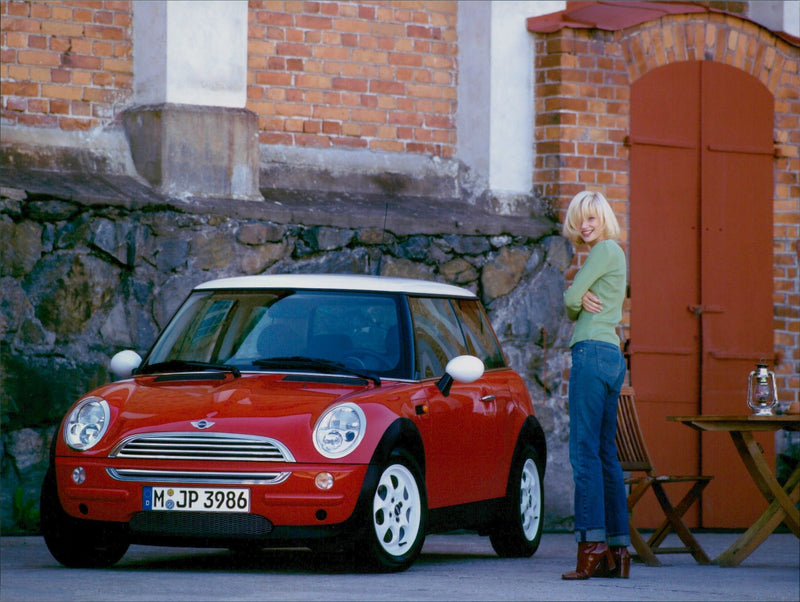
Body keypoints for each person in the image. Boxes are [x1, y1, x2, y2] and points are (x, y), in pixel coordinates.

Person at [560, 190, 631, 580]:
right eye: (580, 220)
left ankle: (591, 547)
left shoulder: (602, 251)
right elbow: (575, 301)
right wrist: (578, 298)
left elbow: (570, 300)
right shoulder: (614, 254)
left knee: (583, 453)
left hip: (590, 352)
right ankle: (618, 551)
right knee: (606, 455)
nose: (585, 226)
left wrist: (577, 297)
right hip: (612, 357)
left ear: (603, 219)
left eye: (592, 218)